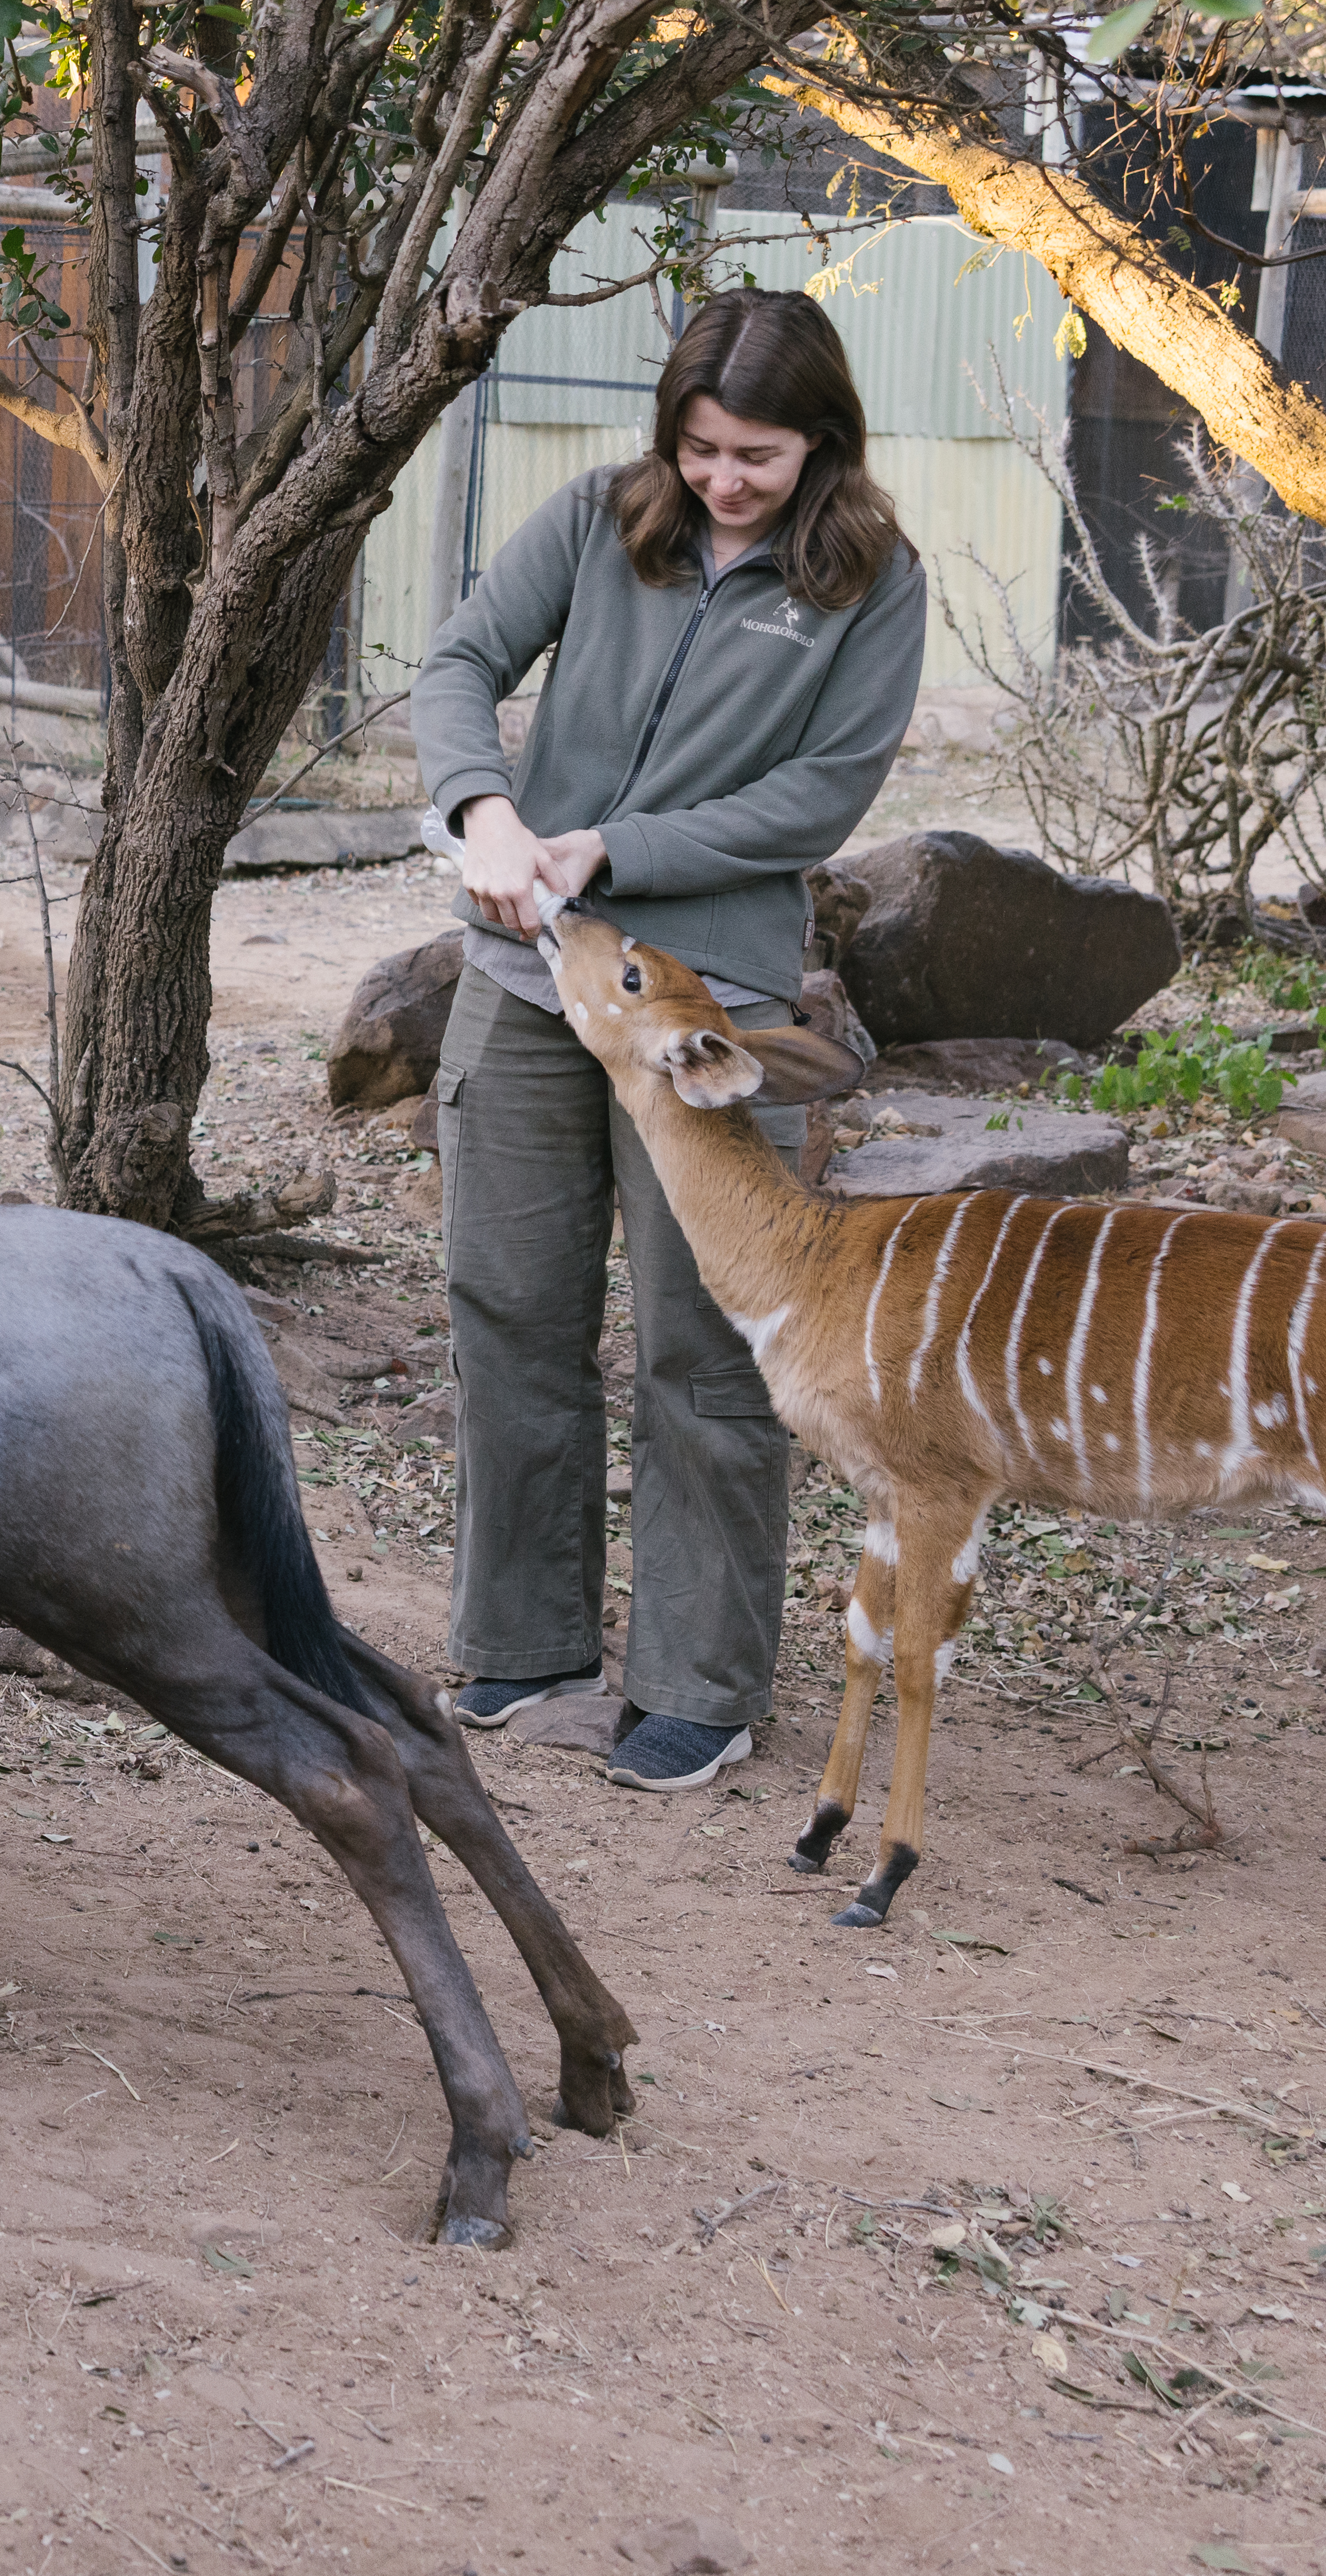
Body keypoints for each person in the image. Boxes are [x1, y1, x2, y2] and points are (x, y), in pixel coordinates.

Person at [405, 285, 928, 1791]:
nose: (722, 481)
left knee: (704, 1349)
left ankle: (699, 1679)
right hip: (529, 984)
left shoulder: (867, 583)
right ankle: (522, 1643)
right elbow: (457, 667)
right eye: (700, 448)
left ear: (823, 442)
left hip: (714, 1004)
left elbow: (821, 799)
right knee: (509, 1302)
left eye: (757, 455)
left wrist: (606, 850)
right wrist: (488, 811)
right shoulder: (597, 517)